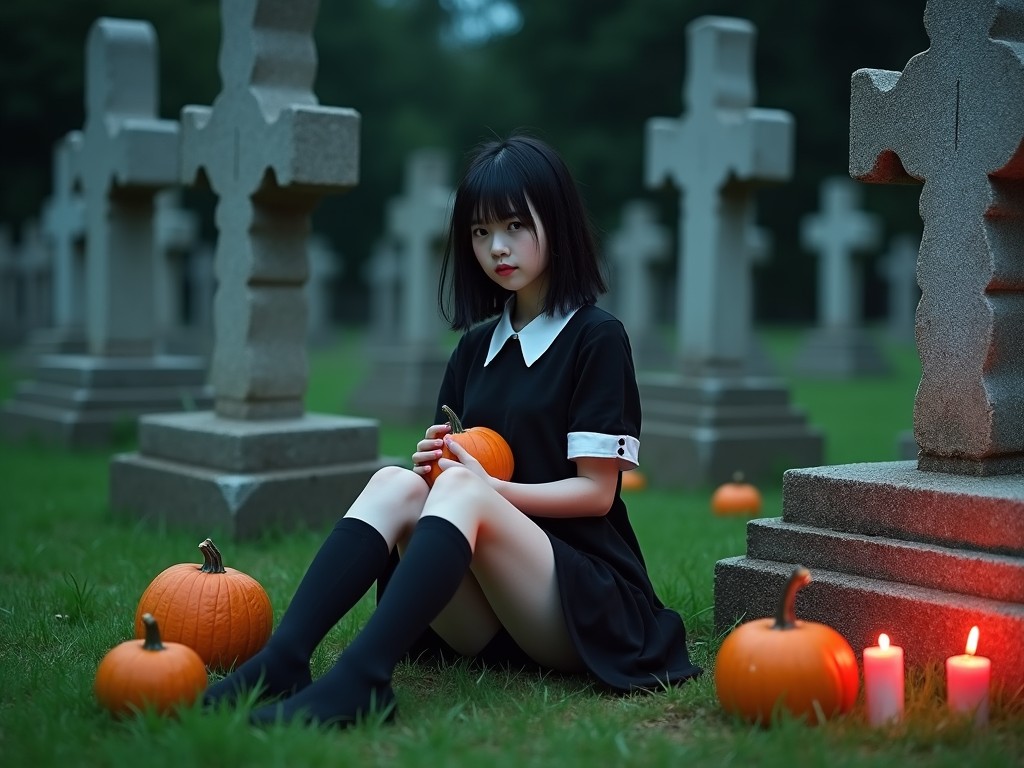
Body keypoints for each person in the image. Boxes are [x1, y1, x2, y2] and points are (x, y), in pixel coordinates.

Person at [203, 133, 702, 727]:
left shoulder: (595, 337)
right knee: (395, 482)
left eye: (516, 226)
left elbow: (597, 494)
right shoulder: (473, 350)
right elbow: (445, 487)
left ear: (557, 221)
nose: (498, 248)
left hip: (581, 605)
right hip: (491, 618)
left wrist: (479, 487)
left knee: (463, 490)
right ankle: (283, 660)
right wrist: (435, 468)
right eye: (480, 232)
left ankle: (362, 682)